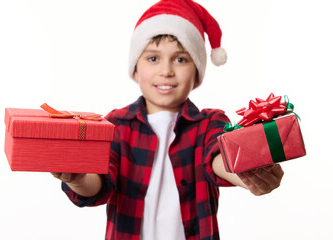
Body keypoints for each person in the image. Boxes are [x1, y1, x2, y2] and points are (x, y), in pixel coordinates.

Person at [52, 0, 284, 239]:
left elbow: (218, 157)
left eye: (181, 59)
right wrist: (77, 178)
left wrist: (248, 172)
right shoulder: (115, 125)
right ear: (135, 69)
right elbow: (98, 184)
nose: (166, 71)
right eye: (153, 59)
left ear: (197, 71)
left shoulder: (208, 123)